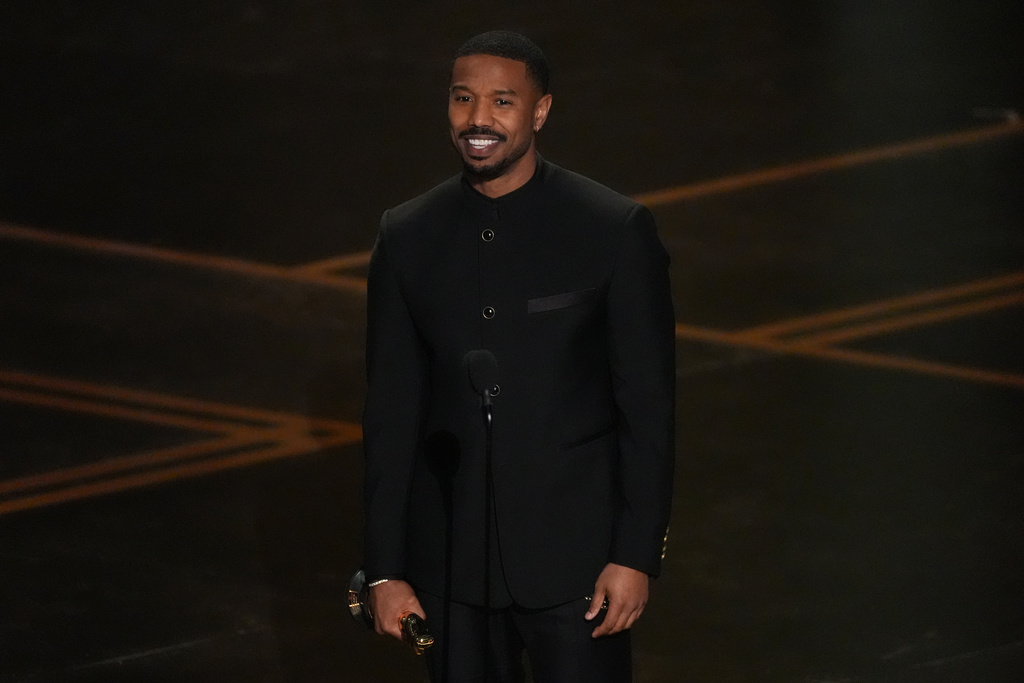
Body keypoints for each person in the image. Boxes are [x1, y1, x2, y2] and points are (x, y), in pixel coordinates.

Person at [361, 29, 675, 682]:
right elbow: (391, 414)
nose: (479, 119)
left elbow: (647, 407)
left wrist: (636, 553)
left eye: (502, 102)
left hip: (579, 568)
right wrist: (386, 568)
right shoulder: (407, 236)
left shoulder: (611, 229)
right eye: (463, 99)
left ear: (540, 112)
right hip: (451, 567)